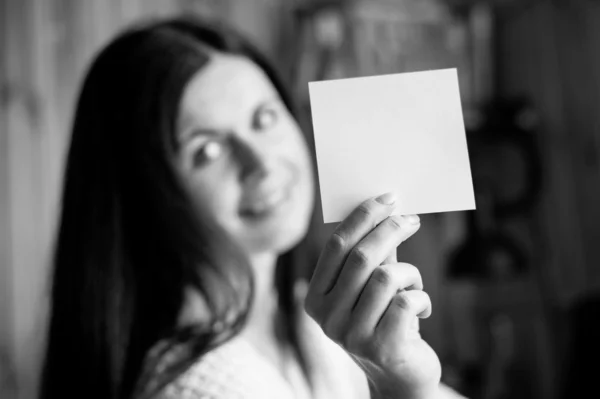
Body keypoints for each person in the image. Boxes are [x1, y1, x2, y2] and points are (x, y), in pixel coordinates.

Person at [39, 16, 466, 399]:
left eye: (264, 118)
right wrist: (402, 388)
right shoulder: (199, 388)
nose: (261, 163)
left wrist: (409, 379)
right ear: (142, 194)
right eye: (207, 151)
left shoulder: (304, 323)